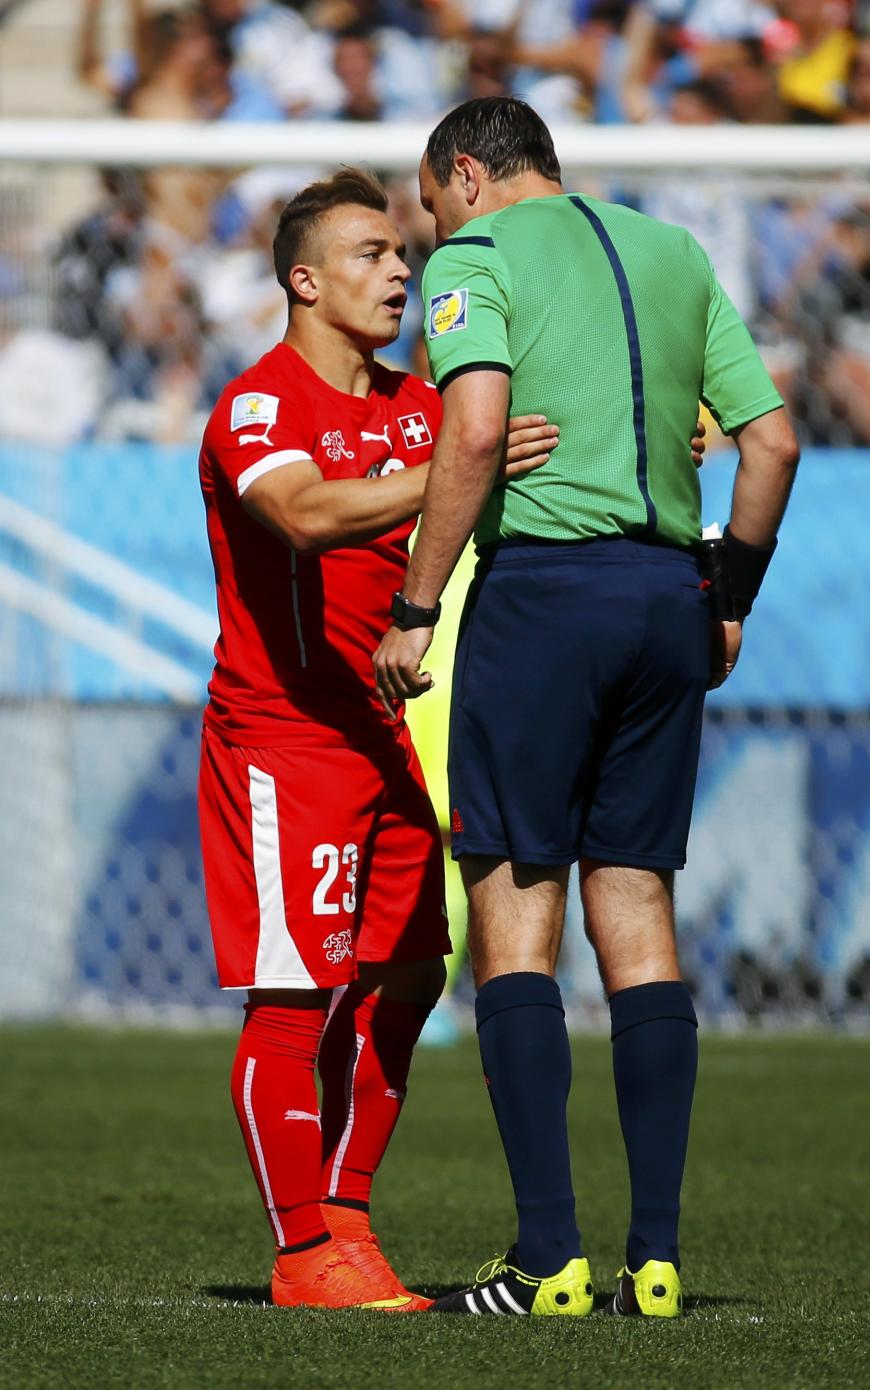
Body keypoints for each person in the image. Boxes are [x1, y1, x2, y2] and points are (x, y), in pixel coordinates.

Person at [373, 96, 799, 1318]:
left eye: (431, 203)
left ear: (464, 173)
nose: (429, 235)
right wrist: (729, 592)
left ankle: (548, 1258)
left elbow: (476, 432)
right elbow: (771, 444)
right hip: (669, 596)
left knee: (515, 912)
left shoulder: (479, 260)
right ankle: (654, 1262)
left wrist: (416, 606)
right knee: (639, 908)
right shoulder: (673, 251)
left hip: (544, 595)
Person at [197, 167, 562, 1311]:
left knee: (410, 970)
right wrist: (454, 467)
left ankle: (347, 1218)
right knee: (293, 996)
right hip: (283, 738)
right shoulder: (258, 407)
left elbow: (504, 448)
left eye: (402, 252)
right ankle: (304, 1252)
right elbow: (305, 514)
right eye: (370, 253)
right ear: (304, 280)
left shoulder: (418, 405)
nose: (400, 269)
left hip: (380, 734)